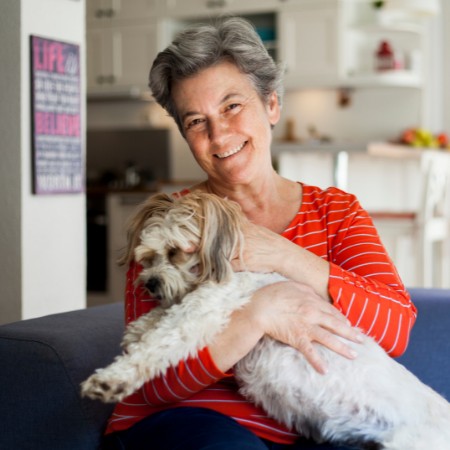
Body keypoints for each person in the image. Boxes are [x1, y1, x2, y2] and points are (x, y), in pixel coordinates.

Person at [102, 17, 417, 450]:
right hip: (197, 419)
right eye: (196, 121)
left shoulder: (336, 212)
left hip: (317, 424)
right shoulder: (168, 226)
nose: (219, 134)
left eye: (232, 106)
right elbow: (153, 380)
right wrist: (255, 317)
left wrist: (284, 256)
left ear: (271, 105)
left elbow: (395, 329)